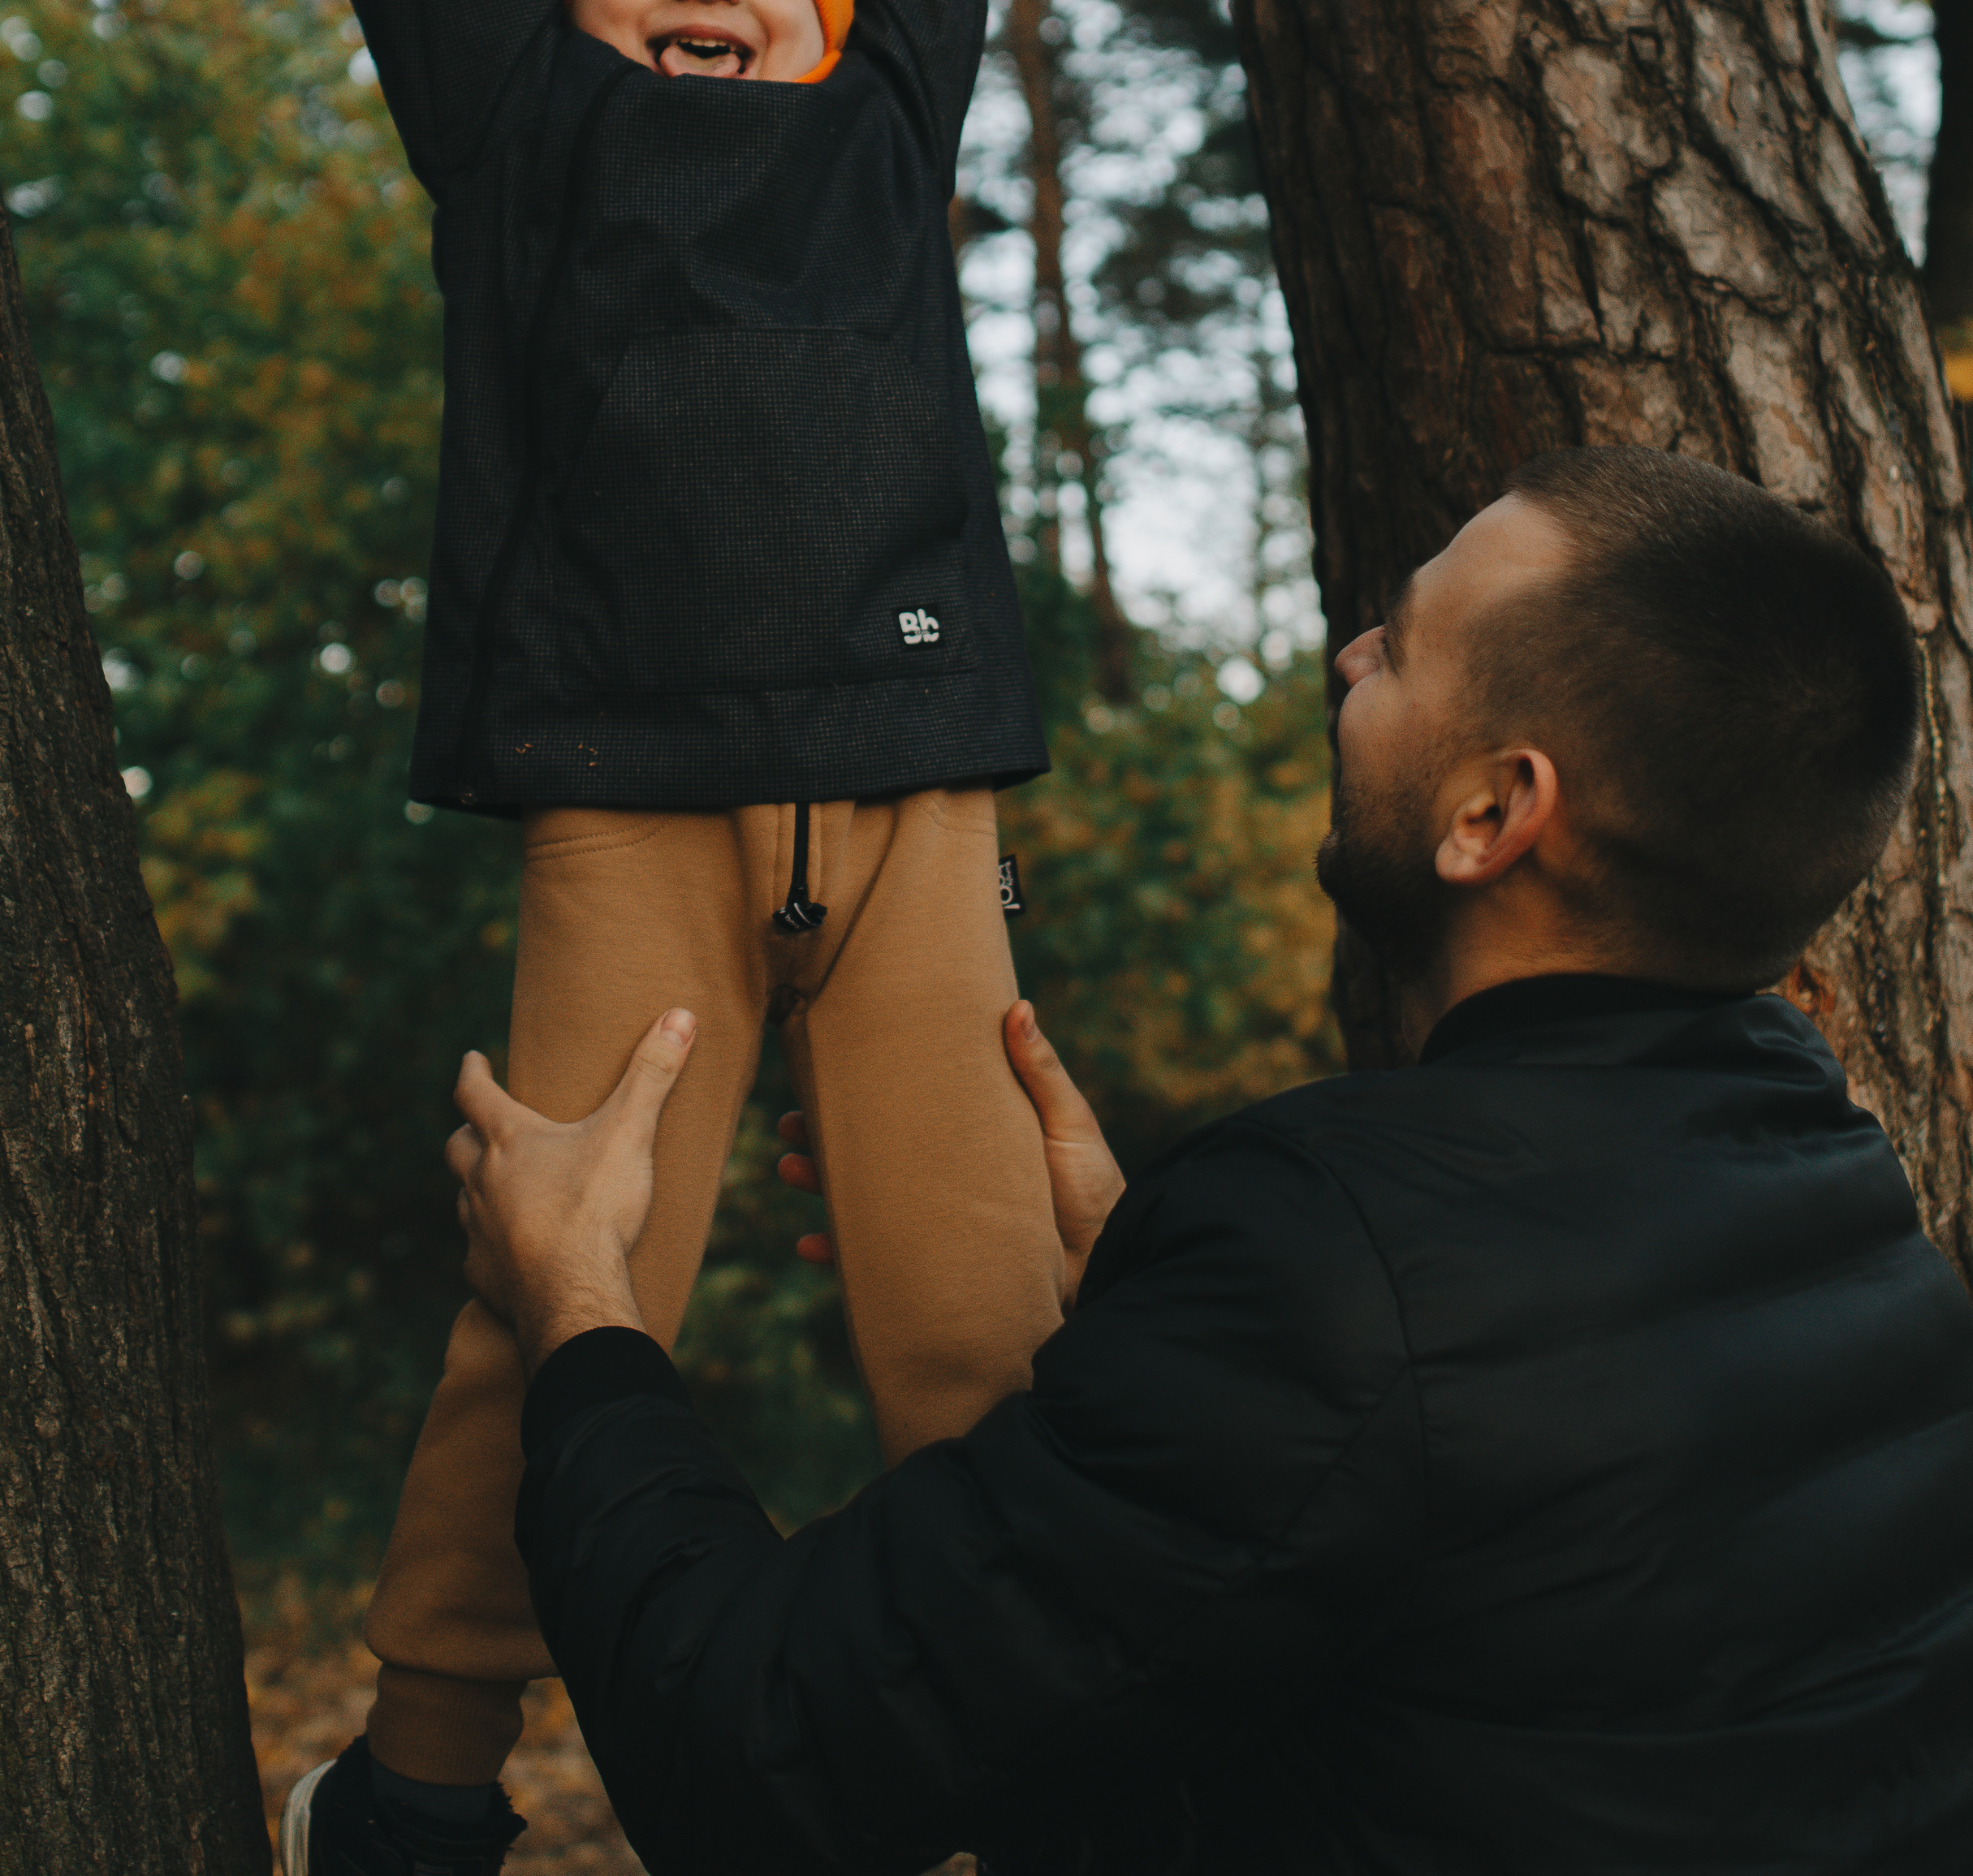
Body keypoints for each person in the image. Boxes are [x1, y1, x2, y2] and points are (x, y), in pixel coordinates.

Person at [447, 446, 1973, 1876]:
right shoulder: (1860, 1218)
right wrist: (1152, 1298)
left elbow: (759, 1750)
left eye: (1400, 639)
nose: (1348, 660)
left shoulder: (1336, 1267)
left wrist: (581, 1307)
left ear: (1495, 812)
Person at [276, 0, 1066, 1876]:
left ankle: (1056, 1764)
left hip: (915, 783)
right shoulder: (523, 130)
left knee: (988, 1318)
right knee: (563, 1279)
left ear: (832, 27)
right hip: (634, 792)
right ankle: (421, 1779)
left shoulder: (880, 125)